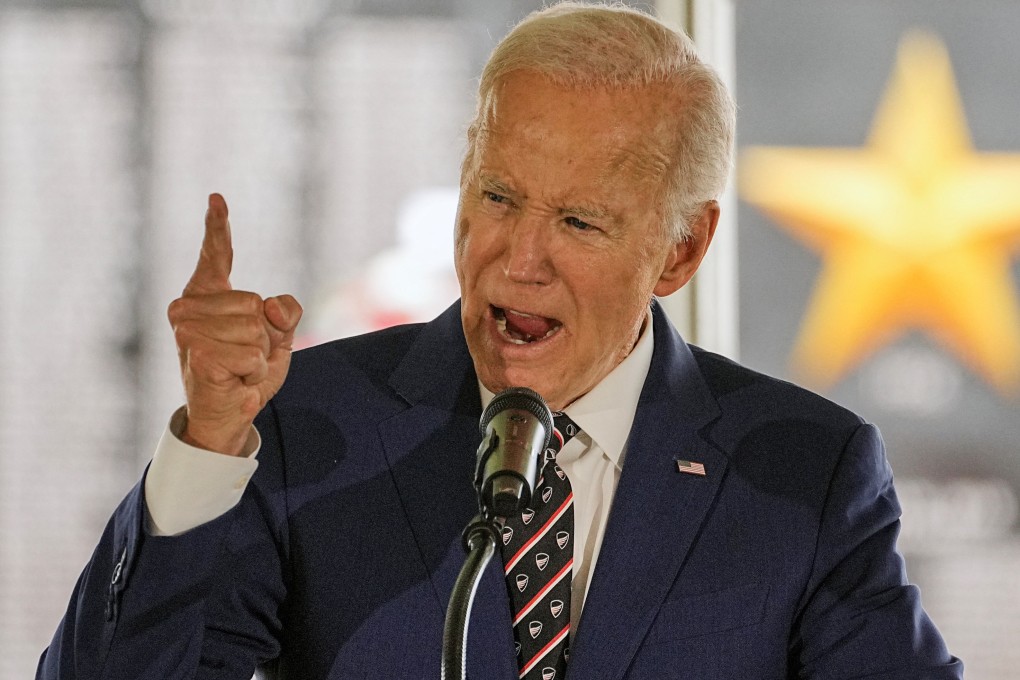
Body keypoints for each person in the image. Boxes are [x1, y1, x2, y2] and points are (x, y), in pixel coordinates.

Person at [38, 3, 962, 679]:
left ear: (681, 248)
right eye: (496, 196)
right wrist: (206, 448)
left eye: (580, 223)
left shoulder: (802, 471)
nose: (518, 260)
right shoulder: (297, 429)